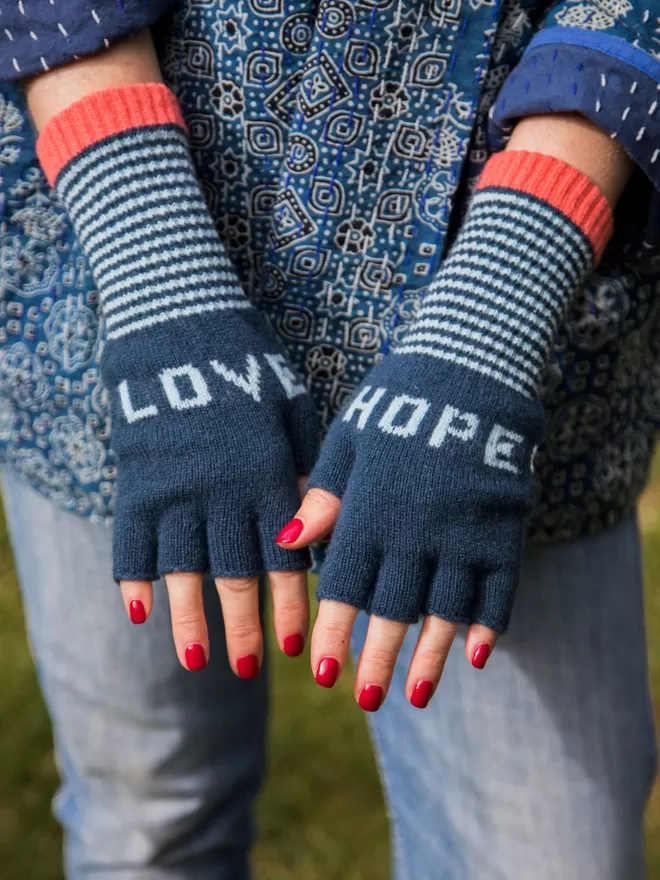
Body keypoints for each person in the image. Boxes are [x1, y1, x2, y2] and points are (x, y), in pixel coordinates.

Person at [0, 0, 658, 877]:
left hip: (508, 340)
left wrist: (504, 296)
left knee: (546, 857)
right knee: (149, 818)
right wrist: (150, 254)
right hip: (119, 294)